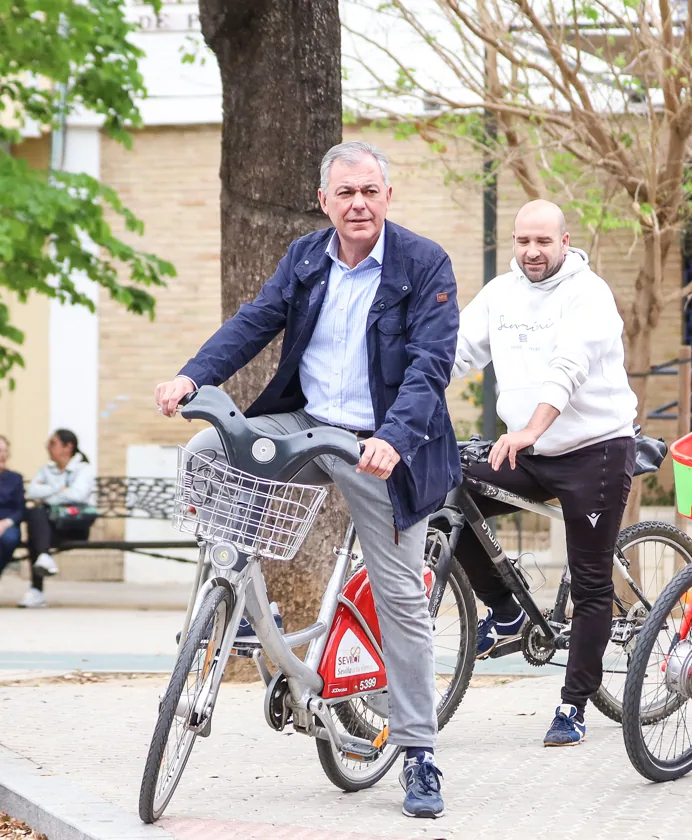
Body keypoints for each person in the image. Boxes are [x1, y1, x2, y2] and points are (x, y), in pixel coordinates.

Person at [154, 140, 458, 819]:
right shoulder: (306, 258)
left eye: (369, 191)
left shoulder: (423, 263)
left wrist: (393, 439)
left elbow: (430, 366)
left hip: (381, 445)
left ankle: (418, 753)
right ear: (324, 201)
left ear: (388, 197)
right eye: (345, 193)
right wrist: (192, 376)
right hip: (306, 422)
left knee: (401, 599)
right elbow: (254, 323)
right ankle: (233, 597)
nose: (358, 203)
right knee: (208, 450)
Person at [452, 199, 638, 748]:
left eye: (543, 242)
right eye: (522, 241)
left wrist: (531, 428)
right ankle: (507, 610)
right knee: (448, 494)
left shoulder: (590, 294)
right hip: (528, 448)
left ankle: (573, 704)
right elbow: (456, 352)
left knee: (589, 580)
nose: (532, 252)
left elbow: (569, 368)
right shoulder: (500, 294)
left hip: (595, 450)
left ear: (565, 241)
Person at [21, 429, 97, 608]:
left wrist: (47, 492)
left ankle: (36, 590)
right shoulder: (46, 469)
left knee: (37, 532)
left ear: (68, 446)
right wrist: (62, 490)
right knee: (35, 515)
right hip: (50, 527)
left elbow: (77, 495)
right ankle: (44, 560)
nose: (48, 447)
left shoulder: (83, 469)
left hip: (74, 526)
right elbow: (32, 492)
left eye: (53, 443)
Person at [0, 437, 25, 590]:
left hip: (7, 523)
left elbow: (21, 509)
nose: (2, 455)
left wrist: (6, 523)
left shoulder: (15, 479)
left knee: (9, 539)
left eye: (4, 451)